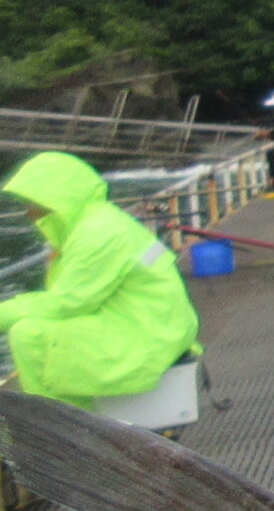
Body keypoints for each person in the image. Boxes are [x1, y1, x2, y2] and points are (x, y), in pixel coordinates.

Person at [0, 152, 200, 408]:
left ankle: (65, 431)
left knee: (29, 334)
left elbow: (69, 302)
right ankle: (76, 421)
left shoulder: (96, 233)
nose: (28, 211)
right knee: (42, 329)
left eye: (32, 201)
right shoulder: (100, 221)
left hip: (149, 333)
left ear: (56, 198)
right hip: (157, 322)